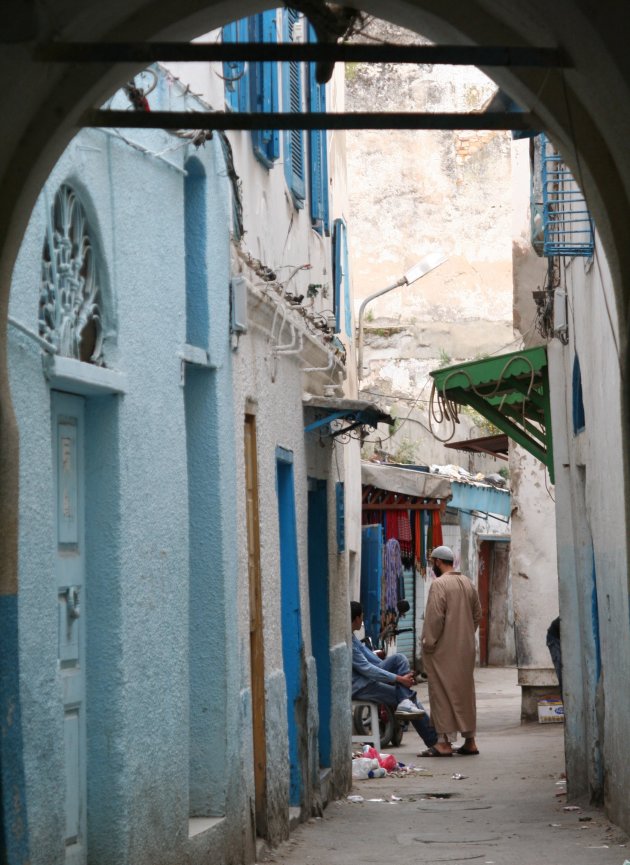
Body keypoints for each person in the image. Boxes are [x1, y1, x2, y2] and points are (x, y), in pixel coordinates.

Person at [420, 546, 482, 757]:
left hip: (443, 650)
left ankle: (443, 743)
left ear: (438, 562)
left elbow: (435, 618)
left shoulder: (439, 584)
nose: (432, 567)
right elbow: (477, 614)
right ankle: (470, 740)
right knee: (464, 693)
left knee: (442, 693)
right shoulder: (468, 582)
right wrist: (463, 634)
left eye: (432, 563)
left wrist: (428, 643)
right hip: (465, 649)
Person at [350, 601, 438, 750]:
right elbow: (368, 669)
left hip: (367, 682)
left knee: (409, 696)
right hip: (360, 687)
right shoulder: (349, 643)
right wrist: (398, 679)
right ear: (357, 618)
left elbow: (375, 661)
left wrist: (397, 677)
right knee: (400, 662)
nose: (363, 620)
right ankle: (434, 741)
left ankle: (432, 739)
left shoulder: (352, 638)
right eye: (362, 617)